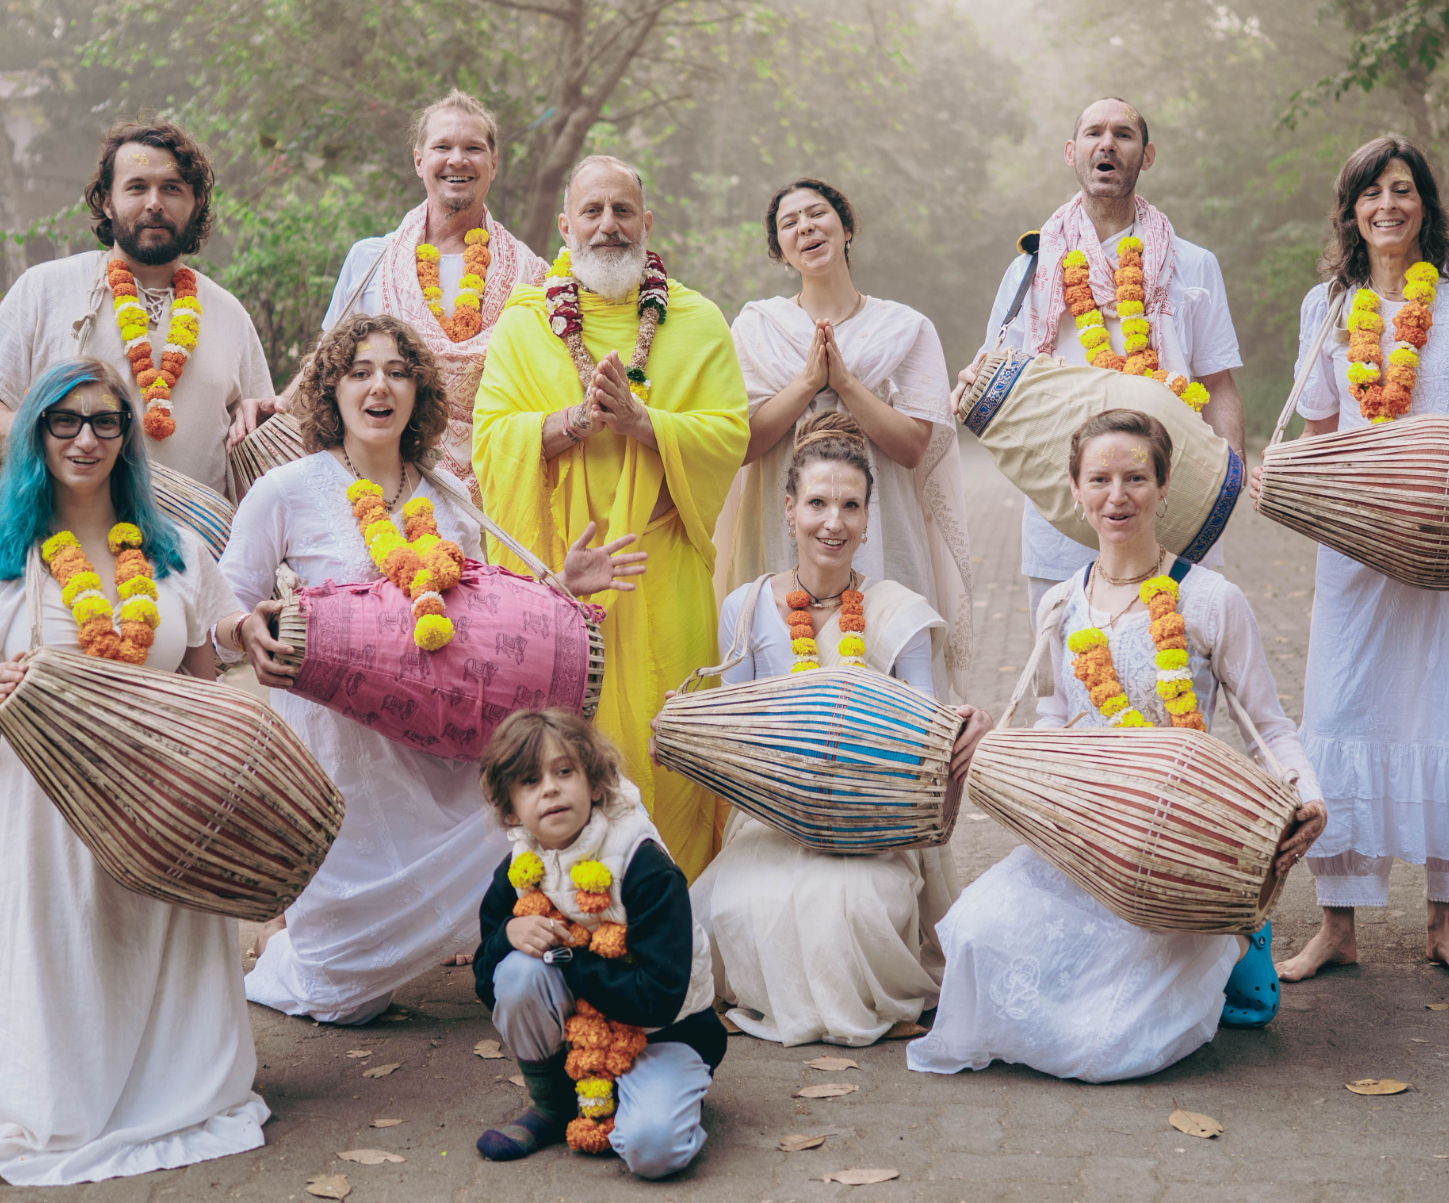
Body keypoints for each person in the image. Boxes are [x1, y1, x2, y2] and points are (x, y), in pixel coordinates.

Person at [212, 313, 646, 1025]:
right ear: (331, 391)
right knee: (341, 999)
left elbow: (484, 616)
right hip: (344, 760)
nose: (379, 386)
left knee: (586, 804)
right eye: (359, 372)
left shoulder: (449, 495)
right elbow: (223, 607)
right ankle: (295, 944)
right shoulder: (286, 491)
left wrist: (559, 588)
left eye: (396, 371)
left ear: (417, 392)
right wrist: (240, 627)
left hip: (445, 748)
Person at [0, 358, 266, 1183]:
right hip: (48, 823)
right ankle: (21, 1058)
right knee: (61, 1022)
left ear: (127, 436)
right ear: (37, 434)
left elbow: (206, 705)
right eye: (64, 421)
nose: (85, 437)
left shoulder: (178, 558)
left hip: (166, 818)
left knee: (176, 1017)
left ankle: (170, 1071)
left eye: (106, 420)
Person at [907, 409, 1326, 1083]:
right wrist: (1023, 770)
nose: (1117, 495)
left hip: (1178, 849)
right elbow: (1052, 719)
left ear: (1164, 488)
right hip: (1085, 835)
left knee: (1109, 1044)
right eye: (1099, 479)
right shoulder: (1059, 607)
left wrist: (1307, 799)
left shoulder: (1213, 600)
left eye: (1135, 477)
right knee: (979, 934)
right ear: (1075, 491)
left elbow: (1269, 728)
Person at [1267, 137, 1449, 986]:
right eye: (1370, 193)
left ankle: (1445, 926)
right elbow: (1319, 432)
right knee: (1347, 707)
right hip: (1360, 550)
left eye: (1402, 190)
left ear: (1425, 203)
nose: (1387, 206)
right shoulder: (1328, 305)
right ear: (1350, 210)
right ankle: (1337, 929)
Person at [472, 156, 750, 875]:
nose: (608, 225)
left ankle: (680, 926)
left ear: (648, 223)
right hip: (562, 583)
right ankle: (569, 918)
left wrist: (643, 423)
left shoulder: (695, 320)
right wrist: (571, 423)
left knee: (675, 751)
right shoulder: (525, 324)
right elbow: (491, 438)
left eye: (622, 210)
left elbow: (728, 434)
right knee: (563, 759)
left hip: (664, 576)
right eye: (591, 211)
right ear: (564, 226)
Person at [690, 413, 994, 1047]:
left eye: (850, 506)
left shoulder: (898, 612)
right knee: (741, 902)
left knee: (857, 904)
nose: (833, 522)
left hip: (875, 817)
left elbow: (924, 739)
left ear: (867, 518)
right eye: (818, 503)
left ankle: (855, 1006)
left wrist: (965, 728)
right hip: (770, 812)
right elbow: (736, 729)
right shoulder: (744, 608)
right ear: (788, 508)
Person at [961, 98, 1246, 615]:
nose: (1107, 143)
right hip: (1062, 516)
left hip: (1174, 501)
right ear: (1072, 153)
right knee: (1066, 687)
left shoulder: (1194, 265)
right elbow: (996, 384)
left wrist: (1229, 477)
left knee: (1181, 679)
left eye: (1123, 134)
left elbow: (1218, 383)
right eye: (1093, 133)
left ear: (1147, 155)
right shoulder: (1031, 268)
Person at [716, 178, 973, 699]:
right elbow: (741, 446)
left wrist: (848, 384)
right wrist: (810, 382)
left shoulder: (905, 328)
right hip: (782, 522)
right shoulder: (756, 329)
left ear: (847, 226)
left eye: (818, 214)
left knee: (893, 674)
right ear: (780, 252)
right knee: (780, 674)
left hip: (880, 526)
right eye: (789, 223)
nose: (805, 226)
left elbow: (912, 447)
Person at [232, 91, 548, 498]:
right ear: (419, 161)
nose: (457, 159)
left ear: (494, 163)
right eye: (442, 147)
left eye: (474, 148)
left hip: (498, 488)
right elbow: (329, 359)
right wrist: (279, 402)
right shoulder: (370, 261)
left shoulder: (531, 275)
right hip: (382, 485)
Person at [471, 708, 728, 1178]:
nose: (550, 788)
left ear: (594, 783)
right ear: (511, 809)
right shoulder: (520, 865)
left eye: (564, 771)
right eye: (530, 781)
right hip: (581, 1034)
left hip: (663, 1034)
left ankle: (661, 1099)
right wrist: (507, 936)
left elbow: (659, 997)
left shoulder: (642, 863)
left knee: (652, 1151)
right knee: (518, 970)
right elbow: (485, 981)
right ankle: (553, 1104)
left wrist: (565, 955)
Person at [0, 120, 274, 497]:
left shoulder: (229, 315)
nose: (154, 203)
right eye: (137, 187)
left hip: (197, 550)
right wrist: (58, 437)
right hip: (67, 543)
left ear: (196, 203)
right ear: (107, 201)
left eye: (171, 188)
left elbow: (260, 443)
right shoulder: (45, 288)